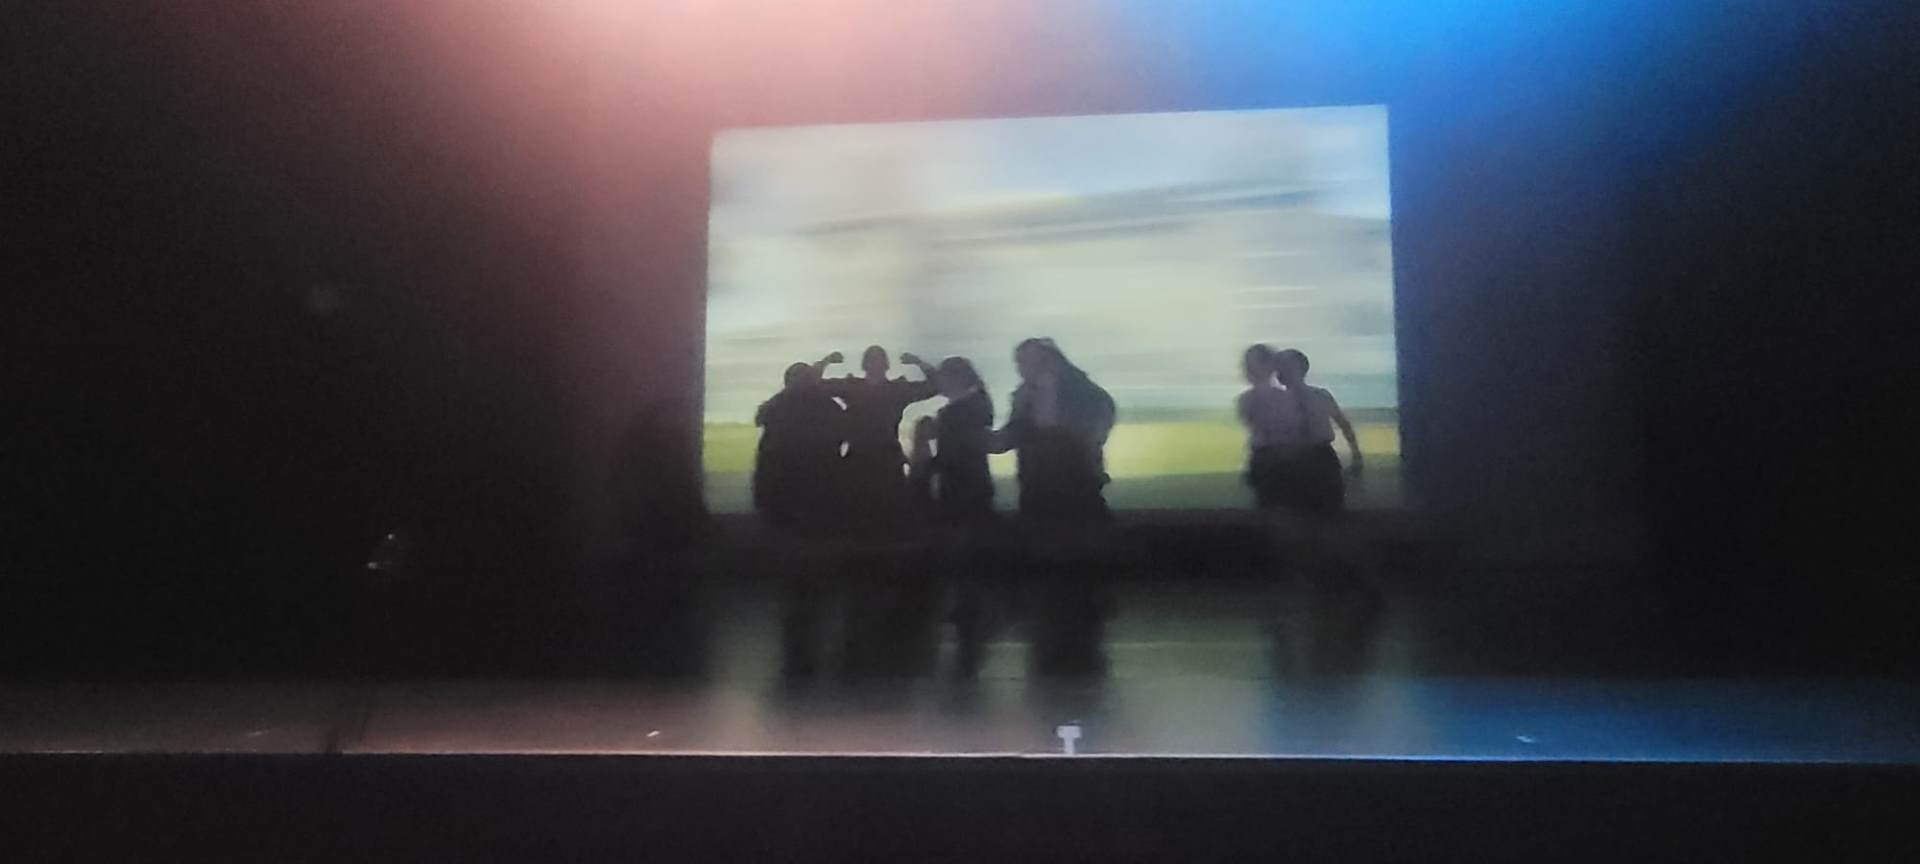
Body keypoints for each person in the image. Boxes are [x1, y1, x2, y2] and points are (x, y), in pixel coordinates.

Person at [990, 338, 1116, 524]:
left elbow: (1090, 436)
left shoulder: (1090, 396)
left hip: (1078, 493)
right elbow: (1010, 436)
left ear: (1051, 362)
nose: (1021, 369)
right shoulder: (1026, 398)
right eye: (1019, 363)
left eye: (1026, 362)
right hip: (1035, 494)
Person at [818, 345, 940, 531]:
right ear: (887, 365)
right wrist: (918, 363)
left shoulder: (853, 388)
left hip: (864, 456)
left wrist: (826, 362)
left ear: (864, 365)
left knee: (861, 512)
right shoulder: (896, 390)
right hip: (882, 456)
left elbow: (812, 384)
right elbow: (934, 386)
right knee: (884, 512)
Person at [1264, 347, 1363, 517]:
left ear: (1300, 369)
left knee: (1330, 509)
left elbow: (1343, 424)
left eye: (1285, 366)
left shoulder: (1321, 396)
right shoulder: (1273, 401)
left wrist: (1356, 454)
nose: (1280, 372)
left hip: (1321, 458)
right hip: (1291, 460)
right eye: (1278, 368)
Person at [752, 361, 845, 533]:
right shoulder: (826, 405)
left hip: (784, 486)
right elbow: (841, 433)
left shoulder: (776, 405)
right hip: (814, 487)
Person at [925, 356, 997, 526]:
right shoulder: (979, 404)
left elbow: (952, 454)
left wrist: (925, 468)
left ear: (954, 379)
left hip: (960, 487)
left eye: (942, 378)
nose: (938, 383)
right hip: (976, 483)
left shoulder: (954, 414)